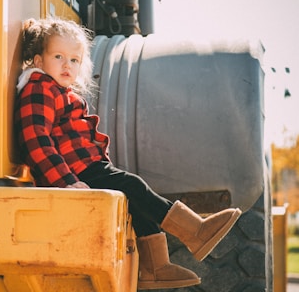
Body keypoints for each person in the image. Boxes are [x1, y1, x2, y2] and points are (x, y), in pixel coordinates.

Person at [14, 17, 242, 290]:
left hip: (84, 168)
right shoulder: (39, 88)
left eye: (74, 60)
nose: (67, 65)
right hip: (77, 171)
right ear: (39, 61)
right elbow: (36, 140)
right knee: (133, 185)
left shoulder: (58, 91)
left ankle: (155, 267)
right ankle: (194, 231)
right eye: (58, 56)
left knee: (136, 202)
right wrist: (65, 181)